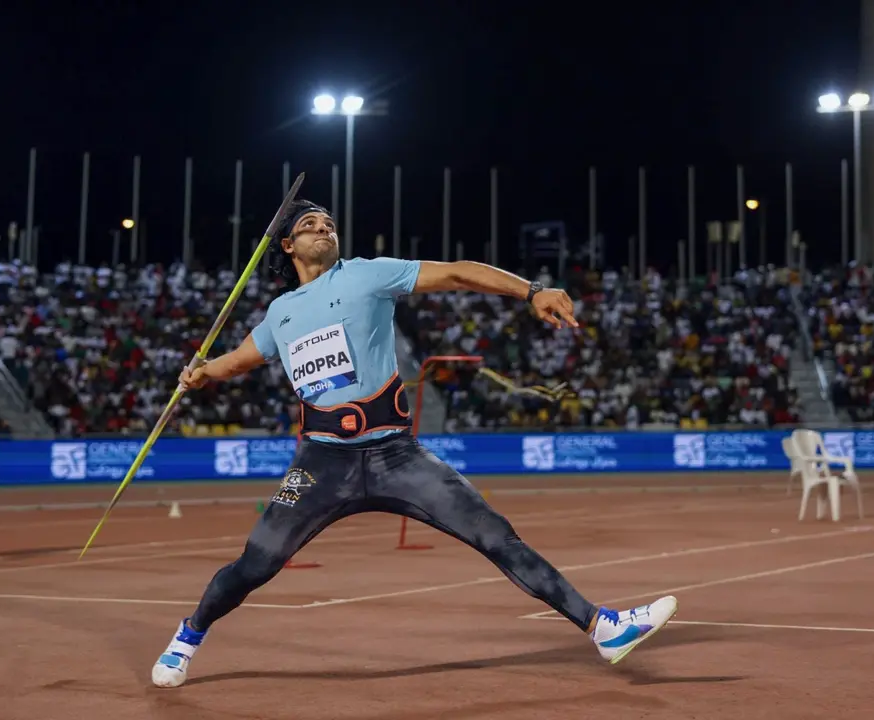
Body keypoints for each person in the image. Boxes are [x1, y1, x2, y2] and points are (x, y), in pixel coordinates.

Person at [151, 200, 677, 688]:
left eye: (329, 222)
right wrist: (201, 374)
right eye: (310, 225)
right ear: (286, 246)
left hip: (394, 456)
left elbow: (455, 272)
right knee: (255, 564)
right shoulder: (280, 313)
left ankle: (601, 626)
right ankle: (188, 635)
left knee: (495, 534)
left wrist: (531, 290)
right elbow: (242, 357)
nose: (324, 228)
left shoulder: (365, 274)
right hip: (320, 463)